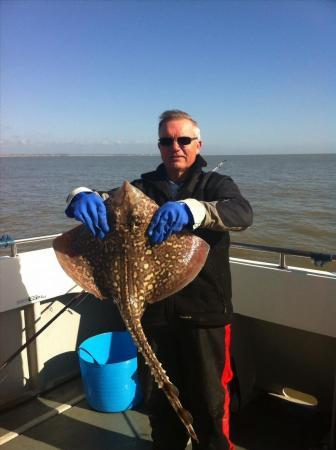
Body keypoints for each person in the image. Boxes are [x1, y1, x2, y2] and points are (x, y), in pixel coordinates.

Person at [65, 110, 253, 450]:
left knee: (210, 402)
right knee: (160, 405)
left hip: (204, 314)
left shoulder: (215, 184)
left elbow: (242, 213)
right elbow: (106, 199)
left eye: (183, 140)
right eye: (167, 140)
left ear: (198, 144)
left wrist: (195, 210)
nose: (175, 147)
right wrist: (79, 193)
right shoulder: (142, 189)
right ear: (159, 146)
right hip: (152, 314)